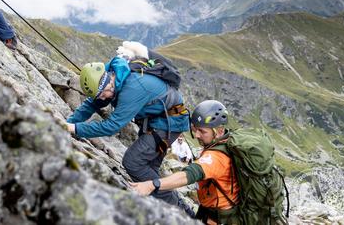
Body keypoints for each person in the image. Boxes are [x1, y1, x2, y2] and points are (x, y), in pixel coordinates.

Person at [65, 49, 193, 215]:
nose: (103, 99)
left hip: (169, 123)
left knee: (133, 162)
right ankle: (168, 208)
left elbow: (112, 126)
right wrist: (68, 123)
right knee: (147, 170)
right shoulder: (107, 74)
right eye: (100, 95)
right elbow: (92, 103)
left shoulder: (132, 87)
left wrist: (74, 129)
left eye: (104, 94)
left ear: (109, 82)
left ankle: (183, 212)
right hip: (154, 119)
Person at [131, 100, 239, 224]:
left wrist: (151, 185)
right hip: (208, 212)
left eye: (202, 131)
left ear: (219, 131)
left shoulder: (217, 157)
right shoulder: (223, 143)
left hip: (216, 219)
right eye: (195, 129)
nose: (197, 135)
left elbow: (189, 175)